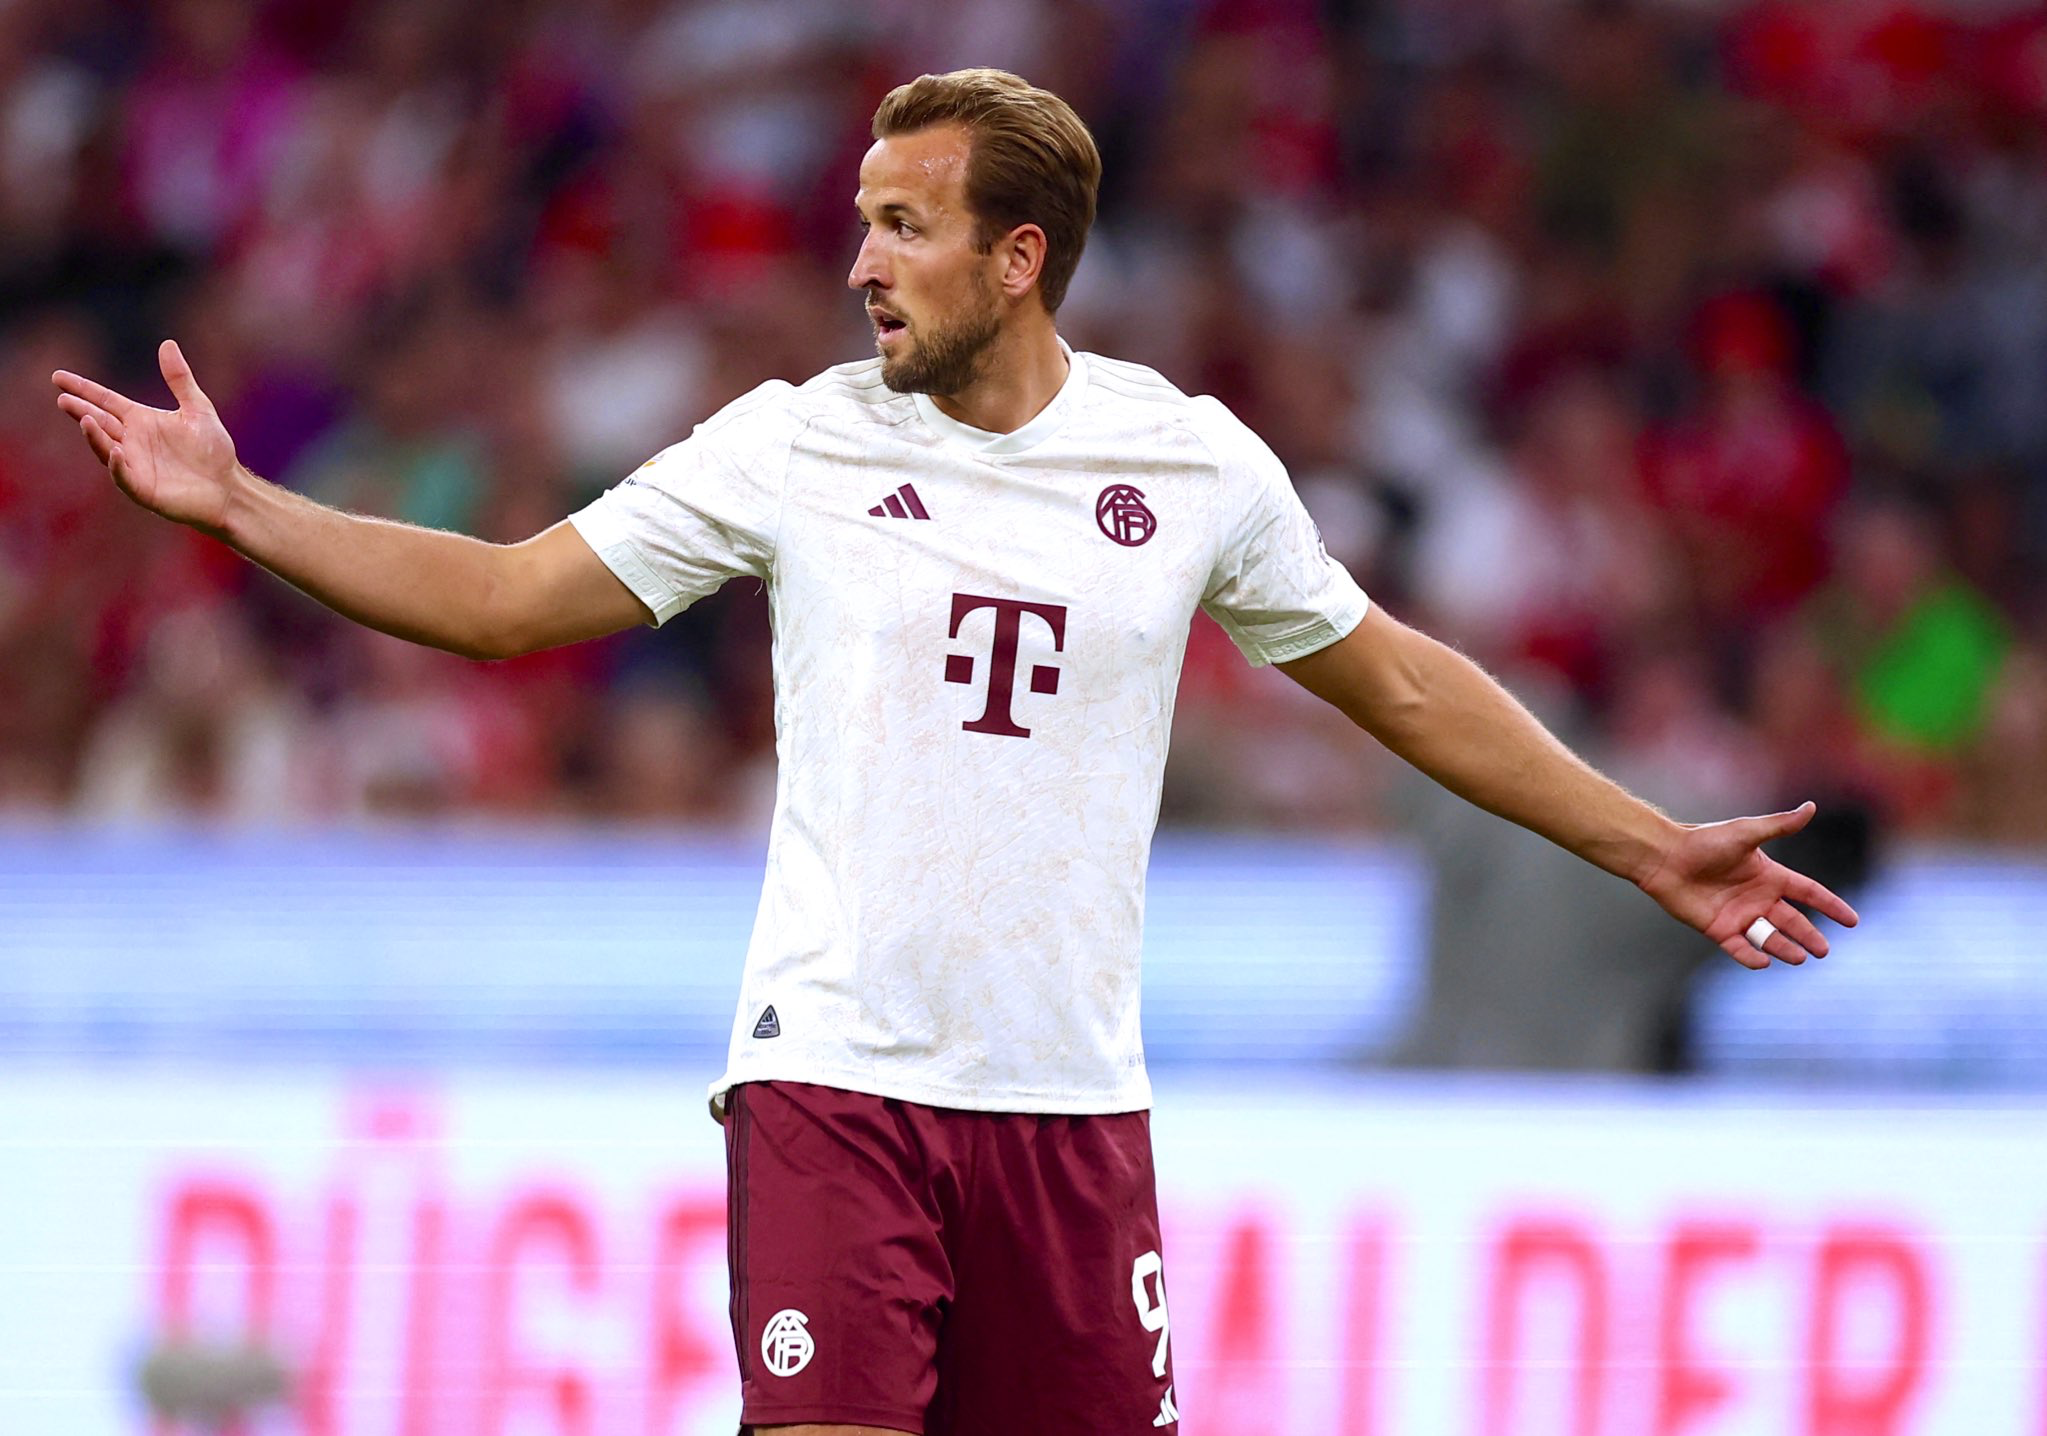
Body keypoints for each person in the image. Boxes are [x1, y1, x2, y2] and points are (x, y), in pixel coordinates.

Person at [52, 68, 1856, 1436]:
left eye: (901, 229)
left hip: (1071, 1113)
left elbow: (1395, 679)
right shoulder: (790, 446)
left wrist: (1641, 844)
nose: (858, 266)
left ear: (1020, 257)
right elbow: (509, 600)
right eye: (857, 222)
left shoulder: (1194, 465)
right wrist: (239, 510)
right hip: (835, 1086)